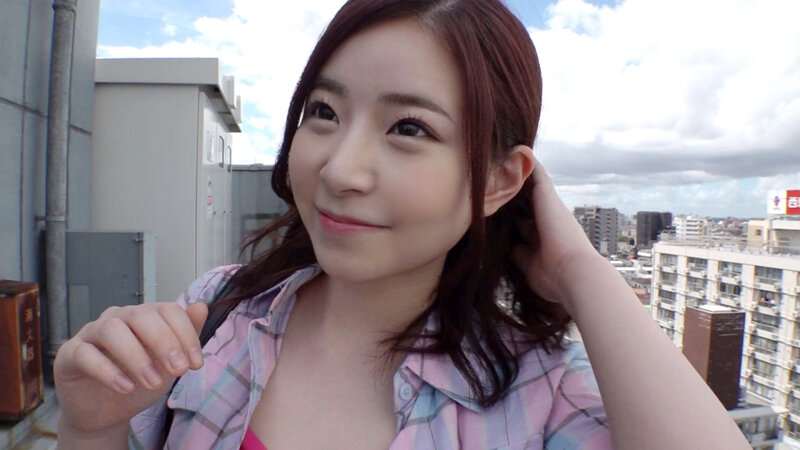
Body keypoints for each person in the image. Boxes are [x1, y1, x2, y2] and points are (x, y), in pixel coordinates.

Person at [54, 0, 751, 449]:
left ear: (501, 181)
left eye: (408, 128)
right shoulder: (220, 311)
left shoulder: (540, 396)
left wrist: (580, 270)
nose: (341, 169)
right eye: (324, 112)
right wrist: (92, 425)